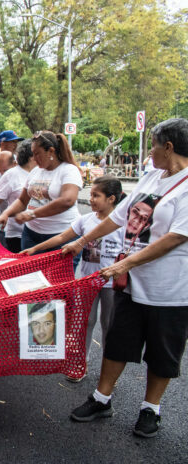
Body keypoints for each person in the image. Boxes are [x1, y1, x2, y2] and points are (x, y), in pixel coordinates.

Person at [66, 118, 188, 438]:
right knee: (117, 343)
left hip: (169, 289)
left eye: (154, 144)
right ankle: (102, 398)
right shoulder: (150, 177)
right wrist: (81, 241)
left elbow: (176, 237)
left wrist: (125, 264)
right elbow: (119, 218)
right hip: (131, 284)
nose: (150, 150)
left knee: (162, 353)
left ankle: (151, 409)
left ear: (169, 147)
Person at [23, 176, 124, 376]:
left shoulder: (123, 223)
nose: (92, 199)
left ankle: (108, 369)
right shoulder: (86, 220)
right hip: (88, 281)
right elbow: (62, 238)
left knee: (109, 325)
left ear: (111, 198)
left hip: (112, 284)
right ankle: (81, 362)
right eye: (92, 194)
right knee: (85, 321)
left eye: (97, 196)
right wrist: (34, 249)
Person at [0, 131, 83, 255]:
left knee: (57, 274)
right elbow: (22, 200)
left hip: (61, 235)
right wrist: (6, 214)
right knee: (31, 273)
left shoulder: (68, 170)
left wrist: (33, 214)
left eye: (37, 154)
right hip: (31, 235)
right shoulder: (36, 172)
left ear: (50, 151)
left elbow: (67, 200)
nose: (34, 158)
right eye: (33, 154)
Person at [0, 140, 37, 252]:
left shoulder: (39, 173)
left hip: (37, 232)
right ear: (32, 156)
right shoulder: (12, 174)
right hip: (17, 233)